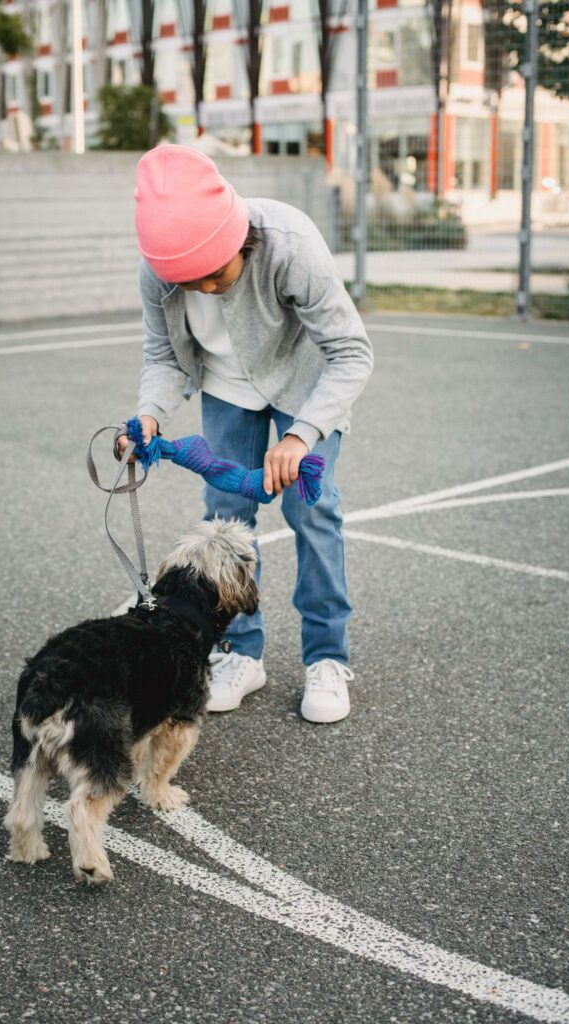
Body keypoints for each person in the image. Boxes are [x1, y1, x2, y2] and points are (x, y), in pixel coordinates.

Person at [119, 144, 373, 723]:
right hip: (227, 389)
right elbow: (164, 356)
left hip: (303, 386)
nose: (205, 289)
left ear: (238, 239)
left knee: (314, 512)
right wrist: (151, 415)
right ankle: (241, 650)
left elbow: (351, 352)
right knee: (226, 515)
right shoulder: (157, 271)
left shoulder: (290, 243)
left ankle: (327, 657)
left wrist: (302, 434)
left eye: (215, 275)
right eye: (191, 282)